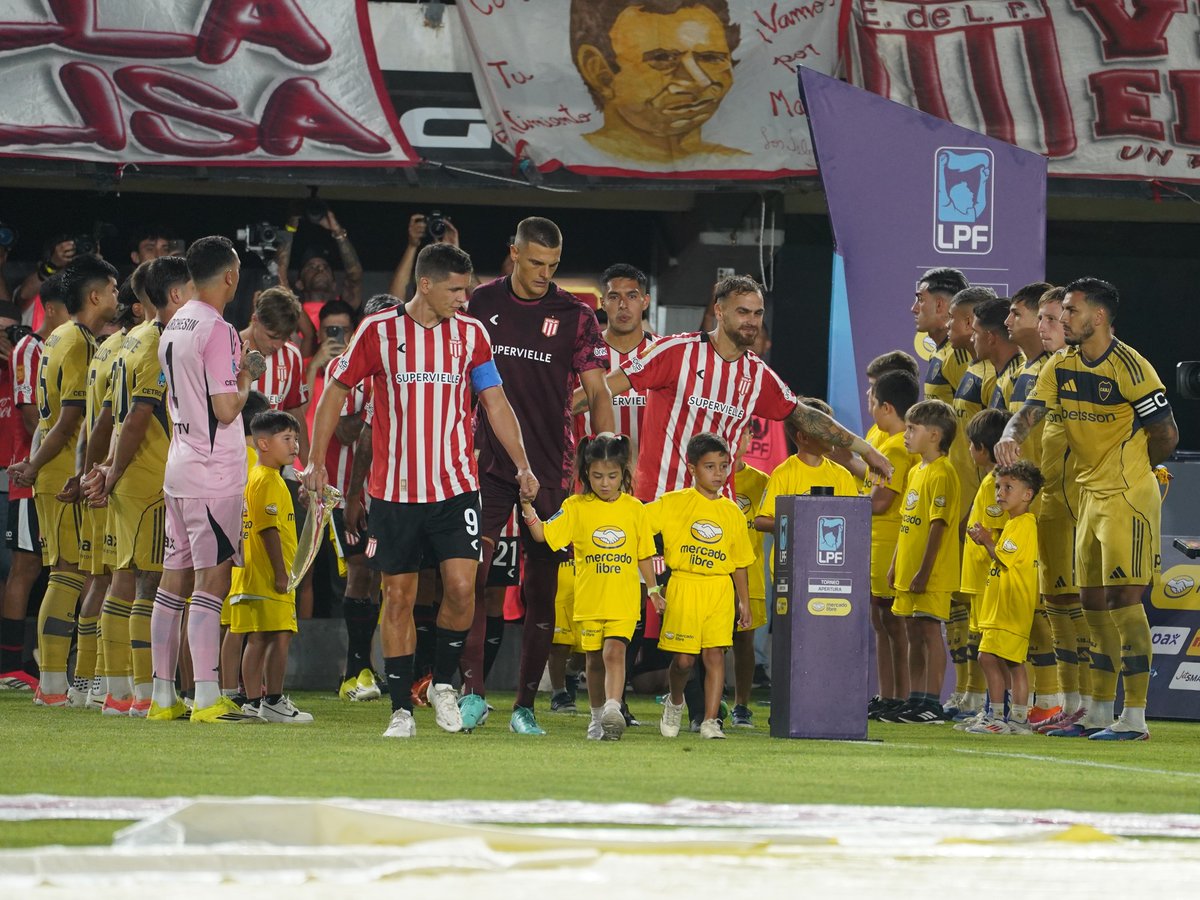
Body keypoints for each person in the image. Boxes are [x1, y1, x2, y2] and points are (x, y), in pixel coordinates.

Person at [303, 243, 537, 740]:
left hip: (456, 487)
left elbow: (494, 402)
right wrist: (315, 462)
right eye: (455, 288)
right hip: (394, 492)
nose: (464, 296)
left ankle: (444, 684)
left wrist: (522, 465)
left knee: (460, 588)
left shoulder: (472, 334)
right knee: (398, 597)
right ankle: (400, 710)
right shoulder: (379, 331)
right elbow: (335, 392)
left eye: (467, 287)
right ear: (425, 284)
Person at [1000, 277, 1177, 741]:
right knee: (1092, 604)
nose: (1065, 320)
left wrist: (1135, 471)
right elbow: (1032, 410)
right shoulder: (1061, 364)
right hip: (1088, 496)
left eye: (1072, 312)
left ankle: (1134, 717)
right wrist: (1010, 435)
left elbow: (1167, 434)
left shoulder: (1133, 368)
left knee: (1124, 601)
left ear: (1098, 317)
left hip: (1126, 497)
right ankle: (1098, 713)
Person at [462, 216, 613, 736]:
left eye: (552, 266)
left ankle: (525, 704)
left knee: (541, 589)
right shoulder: (479, 304)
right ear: (513, 253)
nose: (543, 274)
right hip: (483, 465)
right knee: (472, 580)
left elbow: (597, 391)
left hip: (550, 469)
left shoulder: (577, 314)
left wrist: (608, 452)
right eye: (534, 264)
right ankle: (472, 695)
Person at [587, 275, 892, 502]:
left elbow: (807, 417)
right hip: (659, 503)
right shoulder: (676, 352)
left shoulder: (758, 376)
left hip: (720, 510)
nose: (752, 322)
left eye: (758, 313)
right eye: (743, 312)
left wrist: (866, 450)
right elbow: (600, 389)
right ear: (719, 312)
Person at [149, 235, 266, 724]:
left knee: (171, 584)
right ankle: (207, 696)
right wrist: (247, 378)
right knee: (211, 583)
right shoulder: (219, 330)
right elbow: (224, 408)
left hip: (179, 469)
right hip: (211, 473)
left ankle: (162, 697)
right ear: (231, 276)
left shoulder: (173, 323)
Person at [8, 255, 118, 707]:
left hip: (54, 470)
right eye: (112, 290)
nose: (117, 297)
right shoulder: (76, 343)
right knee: (74, 574)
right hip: (63, 473)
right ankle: (57, 684)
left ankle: (59, 680)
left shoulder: (57, 338)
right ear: (95, 296)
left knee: (66, 573)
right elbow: (71, 417)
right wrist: (44, 467)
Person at [85, 257, 188, 717]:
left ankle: (116, 690)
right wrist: (109, 469)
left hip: (126, 479)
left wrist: (101, 467)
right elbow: (138, 415)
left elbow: (109, 416)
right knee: (148, 585)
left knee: (119, 582)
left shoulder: (124, 343)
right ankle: (145, 693)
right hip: (147, 479)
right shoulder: (158, 342)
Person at [522, 433, 656, 741]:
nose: (605, 482)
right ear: (586, 474)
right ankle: (598, 720)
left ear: (624, 473)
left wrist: (652, 590)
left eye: (612, 476)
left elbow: (645, 553)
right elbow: (544, 535)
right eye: (597, 476)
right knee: (593, 661)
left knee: (615, 651)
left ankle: (613, 706)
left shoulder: (635, 509)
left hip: (623, 599)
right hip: (589, 600)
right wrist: (527, 508)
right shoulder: (575, 507)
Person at [648, 432, 753, 740]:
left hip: (719, 589)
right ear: (692, 468)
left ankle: (710, 721)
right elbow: (637, 524)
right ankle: (675, 700)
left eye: (723, 466)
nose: (718, 473)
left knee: (715, 655)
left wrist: (743, 602)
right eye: (710, 466)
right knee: (682, 661)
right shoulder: (672, 503)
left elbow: (740, 562)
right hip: (684, 585)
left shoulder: (732, 511)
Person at [74, 286, 144, 711]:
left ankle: (92, 680)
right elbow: (118, 420)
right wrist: (105, 473)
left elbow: (95, 421)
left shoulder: (106, 350)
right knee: (128, 580)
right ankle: (113, 685)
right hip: (125, 478)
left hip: (102, 473)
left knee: (101, 578)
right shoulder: (139, 349)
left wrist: (86, 472)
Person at [1027, 287, 1092, 733]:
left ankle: (1093, 703)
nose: (1047, 327)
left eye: (1053, 318)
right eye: (1047, 319)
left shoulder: (1096, 371)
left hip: (1085, 508)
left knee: (1087, 608)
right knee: (1055, 607)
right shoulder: (1047, 370)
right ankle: (1068, 705)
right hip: (1048, 506)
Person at [570, 0, 746, 163]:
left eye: (711, 58)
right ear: (600, 73)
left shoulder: (744, 165)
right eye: (663, 58)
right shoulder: (566, 160)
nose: (701, 82)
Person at [0, 272, 67, 690]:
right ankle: (8, 667)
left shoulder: (61, 348)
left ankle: (45, 662)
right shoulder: (30, 348)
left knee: (55, 568)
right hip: (32, 472)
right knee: (25, 568)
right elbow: (30, 416)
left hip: (54, 473)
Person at [229, 411, 311, 723]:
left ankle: (257, 702)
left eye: (296, 438)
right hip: (267, 574)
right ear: (263, 443)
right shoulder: (265, 479)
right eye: (287, 439)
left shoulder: (266, 477)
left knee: (262, 637)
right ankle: (269, 701)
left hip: (258, 573)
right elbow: (267, 529)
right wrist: (280, 572)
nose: (295, 445)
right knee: (275, 637)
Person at [882, 399, 961, 725]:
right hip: (908, 571)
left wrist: (924, 572)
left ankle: (933, 702)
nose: (906, 434)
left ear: (934, 435)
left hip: (932, 573)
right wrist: (895, 564)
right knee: (913, 632)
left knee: (930, 631)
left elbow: (937, 526)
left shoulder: (943, 473)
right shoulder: (915, 471)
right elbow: (906, 523)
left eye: (912, 429)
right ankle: (915, 699)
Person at [964, 460, 1044, 735]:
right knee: (998, 659)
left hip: (1011, 607)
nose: (1000, 492)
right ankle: (1005, 717)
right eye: (998, 486)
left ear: (1027, 494)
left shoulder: (1023, 524)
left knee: (999, 659)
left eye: (1009, 487)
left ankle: (1007, 718)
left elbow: (1001, 555)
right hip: (1002, 606)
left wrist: (987, 540)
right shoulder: (1013, 524)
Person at [862, 370, 920, 722]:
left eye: (871, 402)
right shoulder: (888, 443)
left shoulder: (897, 447)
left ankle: (900, 695)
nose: (869, 409)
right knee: (882, 621)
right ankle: (888, 694)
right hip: (878, 540)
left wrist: (850, 504)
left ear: (886, 407)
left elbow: (882, 502)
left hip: (889, 539)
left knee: (893, 622)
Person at [950, 407, 1011, 725]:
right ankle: (990, 710)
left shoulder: (997, 484)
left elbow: (997, 532)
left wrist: (984, 538)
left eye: (972, 445)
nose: (969, 451)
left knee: (992, 650)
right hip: (977, 578)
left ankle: (999, 711)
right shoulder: (990, 480)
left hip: (990, 578)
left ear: (983, 450)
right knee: (982, 647)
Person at [730, 431, 768, 728]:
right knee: (706, 644)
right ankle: (702, 701)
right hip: (712, 572)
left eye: (742, 432)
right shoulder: (705, 477)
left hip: (750, 571)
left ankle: (741, 705)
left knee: (745, 641)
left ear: (750, 437)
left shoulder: (761, 482)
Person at [912, 267, 970, 405]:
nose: (914, 308)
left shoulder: (959, 355)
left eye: (920, 299)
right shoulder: (940, 352)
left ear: (939, 305)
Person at [972, 297, 1024, 411]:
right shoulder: (1003, 374)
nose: (972, 339)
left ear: (990, 337)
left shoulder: (1016, 378)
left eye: (975, 332)